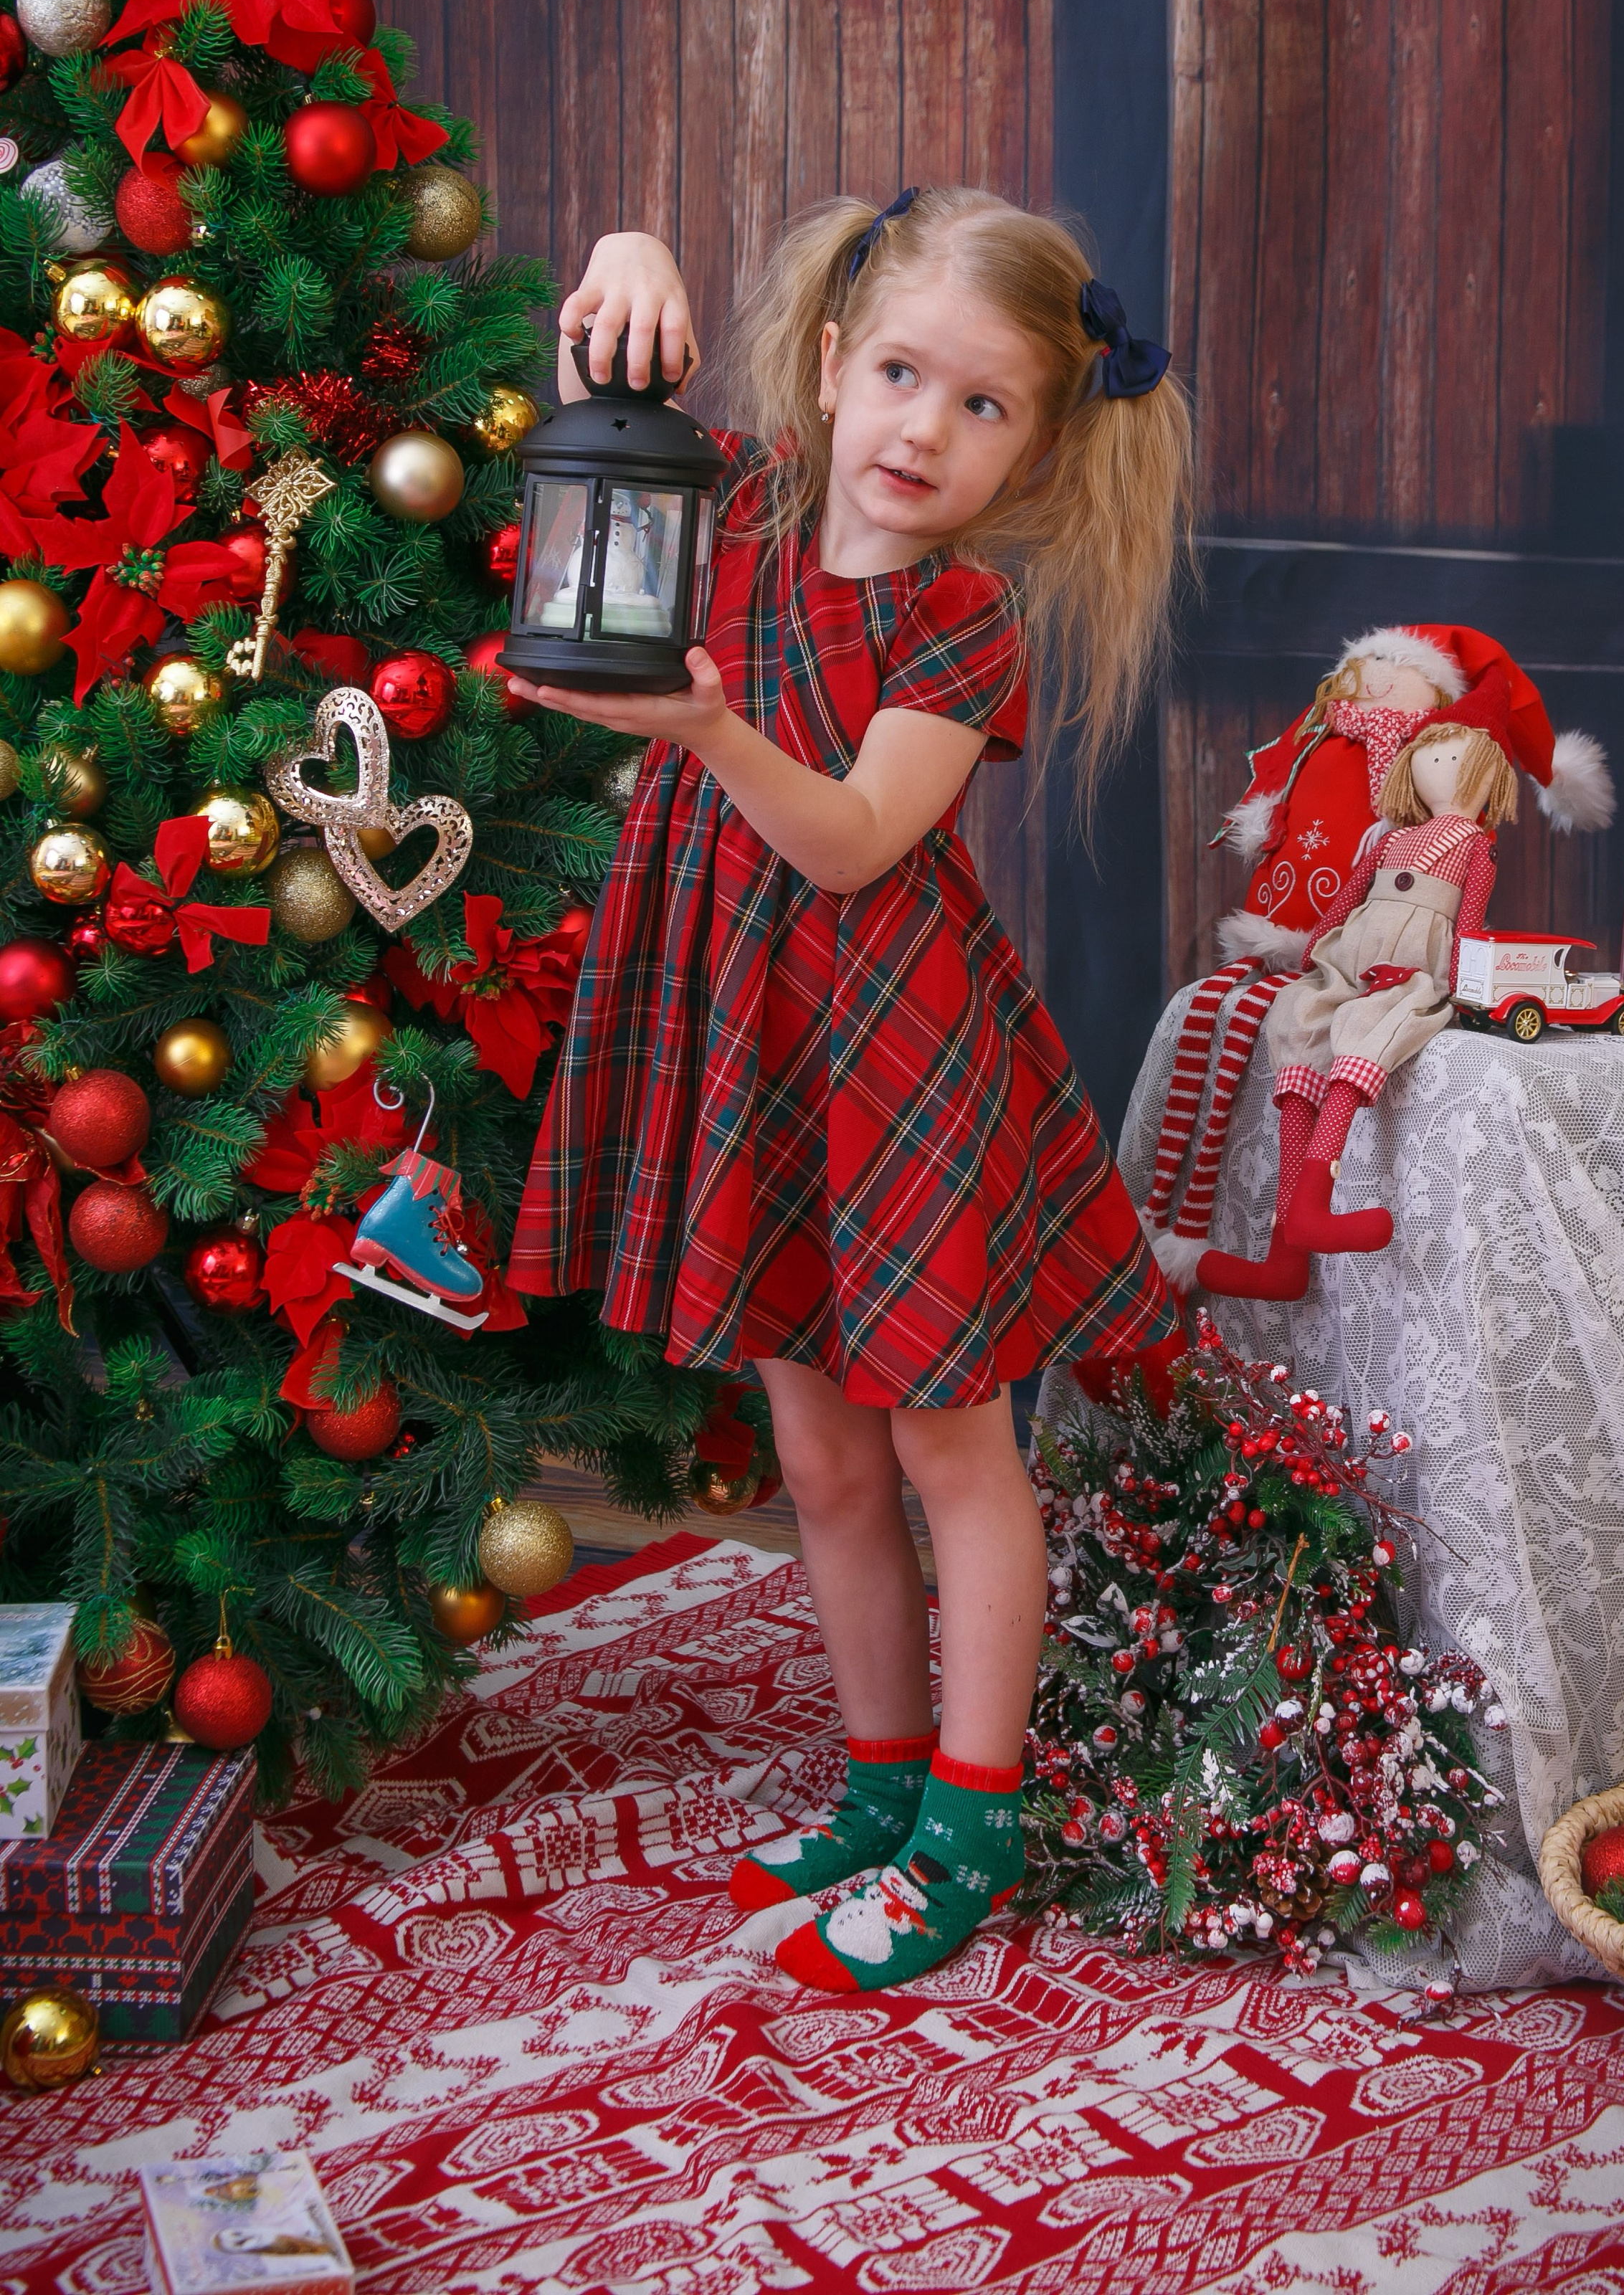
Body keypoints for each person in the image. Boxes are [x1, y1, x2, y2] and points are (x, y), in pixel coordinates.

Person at [505, 189, 1192, 1990]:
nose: (922, 431)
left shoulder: (959, 629)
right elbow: (593, 390)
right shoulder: (724, 506)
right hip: (744, 1041)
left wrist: (706, 726)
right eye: (897, 374)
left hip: (892, 1054)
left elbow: (847, 841)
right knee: (815, 1451)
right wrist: (630, 253)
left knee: (943, 1439)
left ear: (1036, 445)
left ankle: (974, 1815)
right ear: (827, 368)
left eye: (984, 407)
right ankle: (883, 1779)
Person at [1197, 678, 1520, 1303]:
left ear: (1488, 773)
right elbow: (1349, 899)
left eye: (1456, 756)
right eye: (1431, 753)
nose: (1440, 765)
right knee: (1299, 1019)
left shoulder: (1475, 848)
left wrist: (1464, 987)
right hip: (1348, 962)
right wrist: (1315, 947)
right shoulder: (1389, 838)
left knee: (1367, 1032)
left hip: (1408, 971)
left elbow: (1471, 922)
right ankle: (1282, 1253)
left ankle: (1312, 1206)